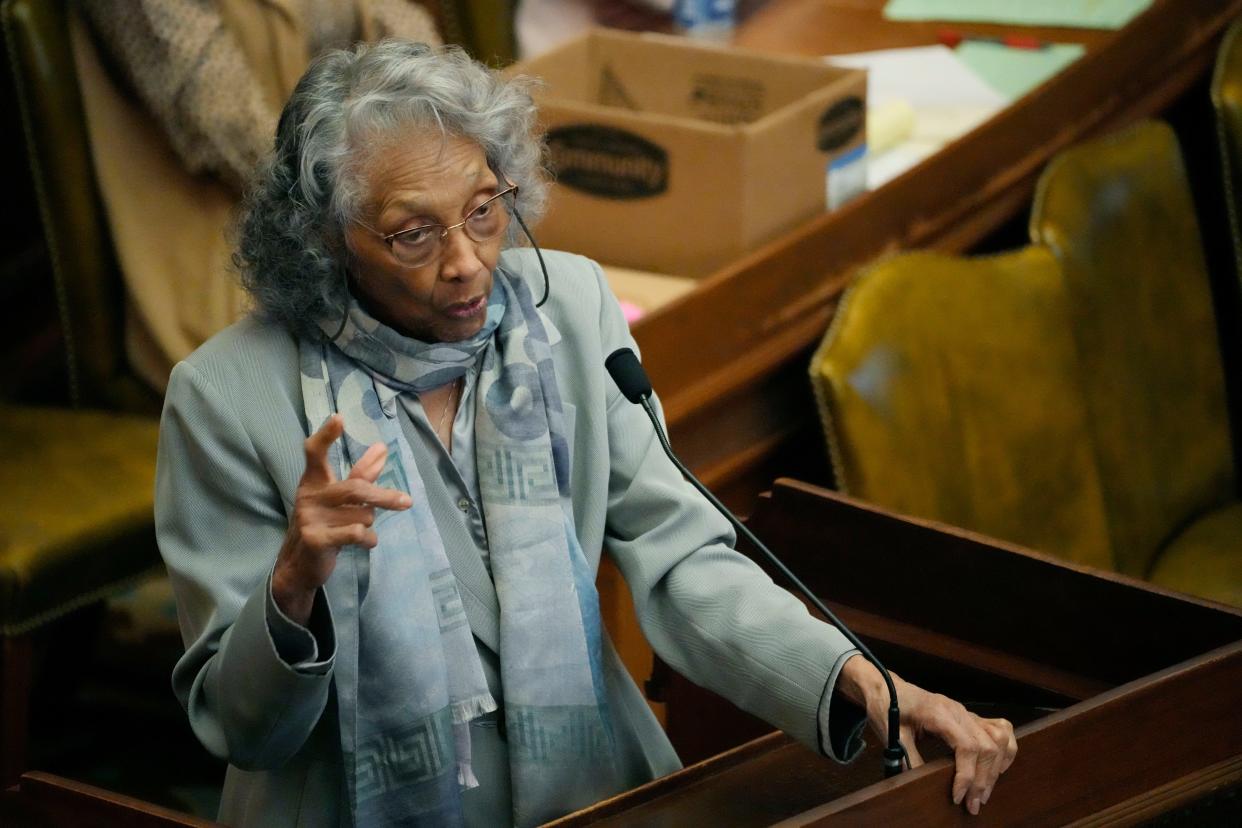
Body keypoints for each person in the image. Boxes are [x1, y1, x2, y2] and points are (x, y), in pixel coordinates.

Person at [155, 39, 1016, 827]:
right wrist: (293, 587)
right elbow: (237, 728)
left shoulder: (567, 308)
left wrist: (863, 681)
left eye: (487, 210)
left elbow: (683, 562)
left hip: (593, 796)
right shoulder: (227, 398)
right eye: (413, 234)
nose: (467, 262)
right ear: (323, 242)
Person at [73, 0, 440, 392]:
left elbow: (397, 19)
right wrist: (394, 186)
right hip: (254, 226)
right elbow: (225, 124)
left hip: (371, 171)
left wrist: (439, 132)